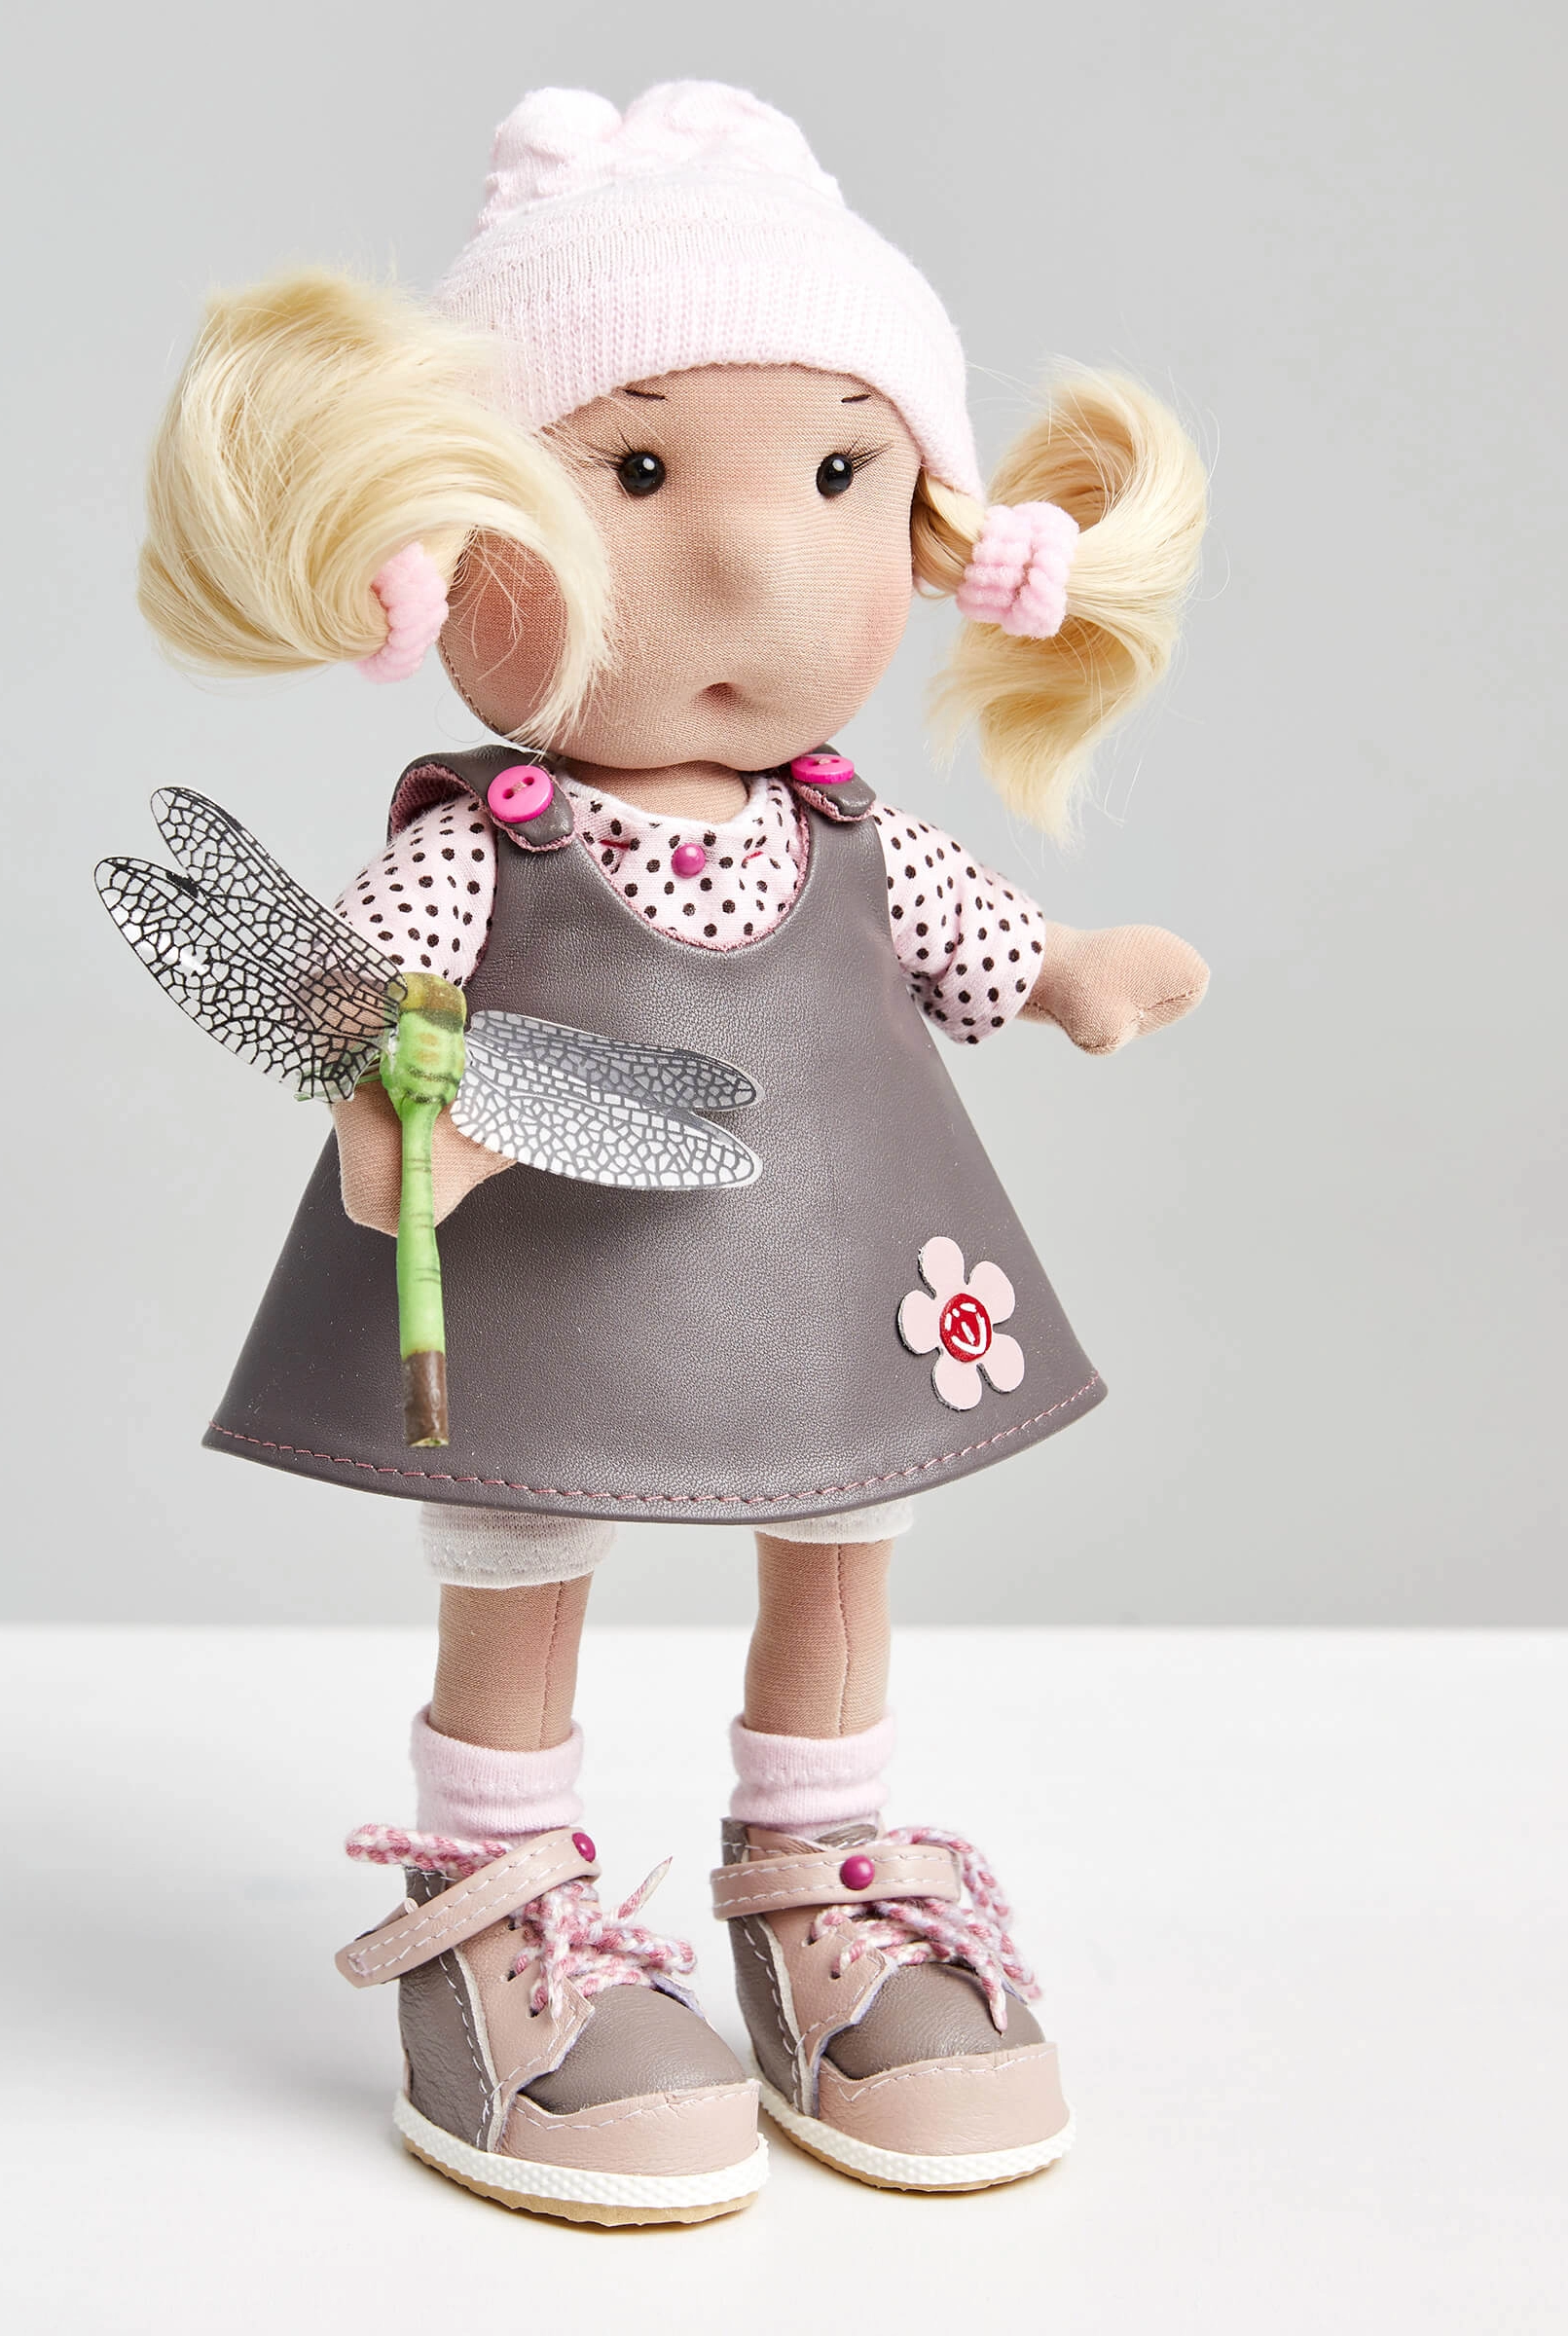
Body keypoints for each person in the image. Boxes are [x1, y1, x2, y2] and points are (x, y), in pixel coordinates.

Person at [134, 80, 1209, 2223]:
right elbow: (355, 1002)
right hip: (543, 1263)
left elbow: (953, 932)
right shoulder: (490, 845)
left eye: (837, 474)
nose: (748, 559)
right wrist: (393, 1101)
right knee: (526, 1550)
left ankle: (821, 1874)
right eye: (632, 473)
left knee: (845, 1532)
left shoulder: (842, 828)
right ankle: (496, 1895)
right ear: (459, 541)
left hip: (841, 1269)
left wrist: (1065, 967)